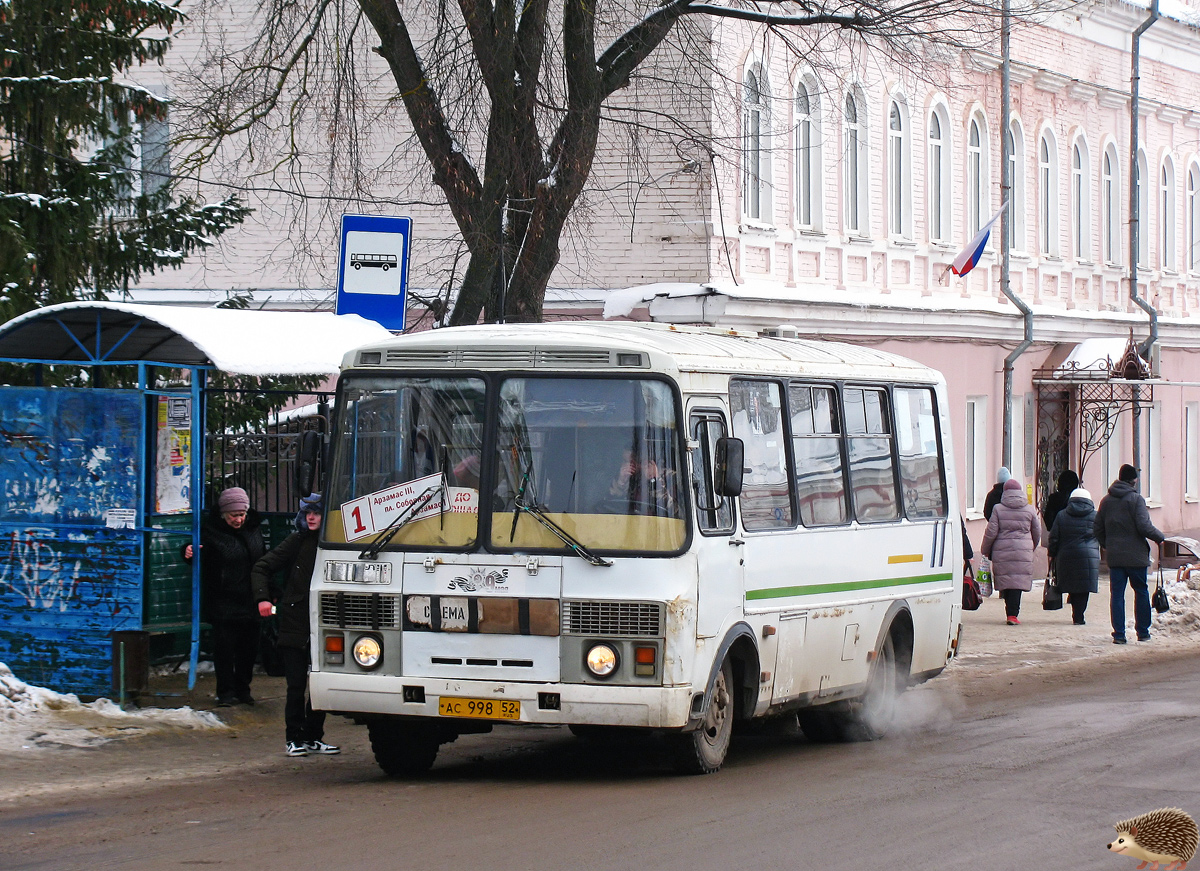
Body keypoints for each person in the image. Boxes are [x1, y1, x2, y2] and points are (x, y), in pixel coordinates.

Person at [251, 493, 340, 758]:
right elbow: (262, 567)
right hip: (295, 623)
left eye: (317, 513)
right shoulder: (297, 541)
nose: (311, 518)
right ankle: (293, 738)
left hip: (324, 622)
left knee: (319, 684)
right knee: (296, 685)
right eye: (307, 513)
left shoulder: (333, 544)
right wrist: (262, 599)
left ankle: (313, 736)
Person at [182, 486, 265, 706]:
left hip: (251, 600)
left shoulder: (254, 529)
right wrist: (188, 551)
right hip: (224, 601)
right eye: (233, 516)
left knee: (248, 650)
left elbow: (264, 561)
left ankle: (243, 690)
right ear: (223, 514)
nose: (238, 520)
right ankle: (226, 692)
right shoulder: (211, 532)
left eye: (241, 514)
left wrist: (268, 593)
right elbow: (197, 553)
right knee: (225, 651)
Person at [1094, 464, 1165, 644]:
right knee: (1141, 591)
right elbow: (1144, 526)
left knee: (1117, 594)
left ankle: (1119, 634)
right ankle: (1142, 632)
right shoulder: (1136, 500)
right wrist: (1159, 537)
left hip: (1116, 557)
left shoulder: (1106, 501)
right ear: (1134, 480)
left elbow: (1098, 528)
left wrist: (1108, 545)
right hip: (1136, 557)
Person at [981, 477, 1040, 625]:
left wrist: (985, 549)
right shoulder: (1029, 509)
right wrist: (1031, 546)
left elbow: (991, 532)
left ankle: (1010, 613)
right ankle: (1013, 614)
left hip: (1002, 550)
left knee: (1007, 579)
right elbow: (1037, 531)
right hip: (1023, 551)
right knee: (1017, 582)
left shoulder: (998, 509)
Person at [1047, 486, 1099, 625]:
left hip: (1066, 556)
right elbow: (1102, 534)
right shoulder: (1095, 516)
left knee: (1072, 583)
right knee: (1084, 586)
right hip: (1088, 555)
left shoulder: (1061, 515)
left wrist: (1052, 553)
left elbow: (1054, 537)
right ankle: (1079, 615)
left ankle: (1075, 612)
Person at [604, 450, 680, 517]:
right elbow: (608, 504)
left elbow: (676, 512)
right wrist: (621, 481)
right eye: (625, 461)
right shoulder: (629, 477)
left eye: (632, 461)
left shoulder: (671, 477)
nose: (629, 465)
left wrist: (654, 481)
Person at [1042, 469, 1080, 535]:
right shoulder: (1079, 499)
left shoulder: (1054, 499)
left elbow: (1048, 521)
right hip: (1077, 538)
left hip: (1059, 537)